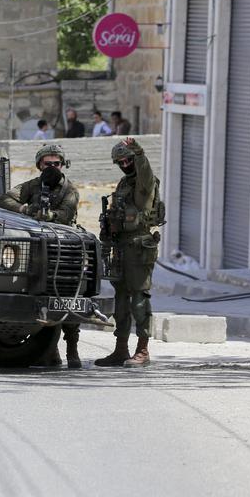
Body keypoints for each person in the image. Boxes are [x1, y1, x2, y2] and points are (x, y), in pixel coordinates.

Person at [0, 144, 82, 368]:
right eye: (47, 164)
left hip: (64, 250)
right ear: (39, 166)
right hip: (37, 249)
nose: (52, 168)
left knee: (69, 299)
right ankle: (49, 350)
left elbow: (66, 214)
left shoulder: (69, 190)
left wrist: (50, 215)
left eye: (56, 164)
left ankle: (72, 348)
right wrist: (25, 210)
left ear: (63, 165)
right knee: (41, 297)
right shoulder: (33, 186)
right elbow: (4, 199)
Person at [96, 137, 162, 368]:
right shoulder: (124, 184)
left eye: (127, 160)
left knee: (139, 299)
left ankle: (142, 350)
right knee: (121, 300)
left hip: (139, 245)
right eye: (120, 162)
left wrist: (138, 151)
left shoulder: (145, 183)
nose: (125, 165)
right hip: (121, 246)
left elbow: (144, 168)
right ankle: (120, 349)